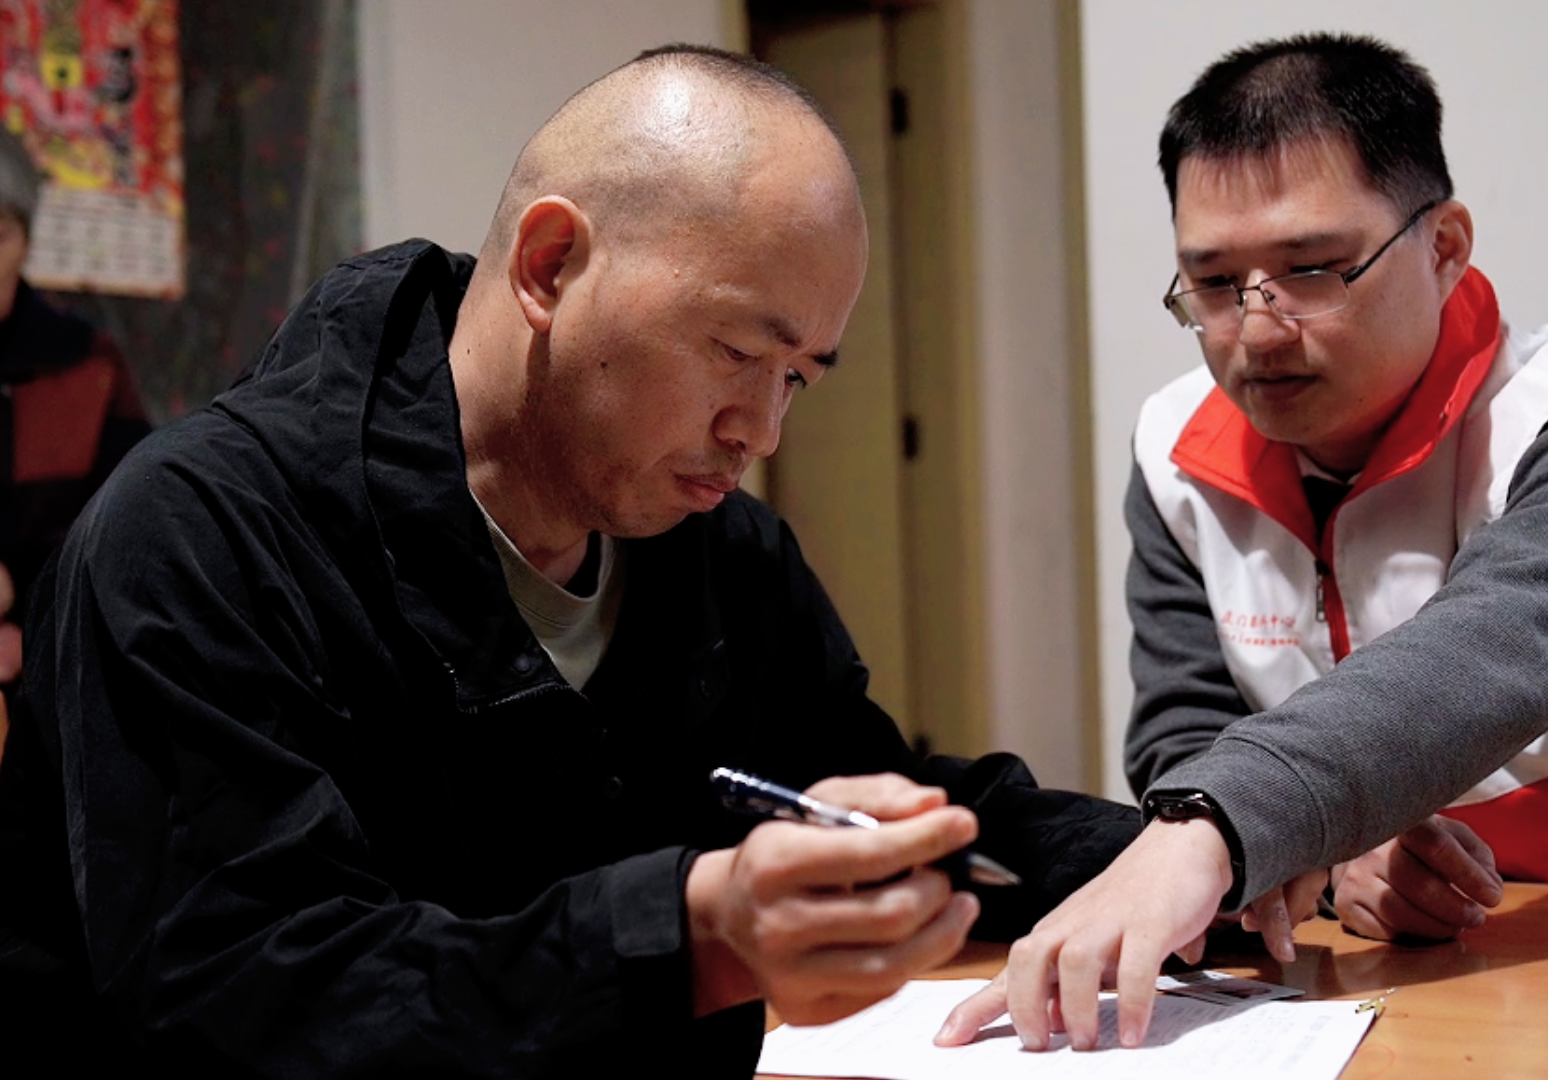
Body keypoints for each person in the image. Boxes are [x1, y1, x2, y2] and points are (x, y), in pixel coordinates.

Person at [0, 46, 1138, 1074]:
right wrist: (686, 938)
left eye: (797, 377)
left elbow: (877, 801)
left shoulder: (721, 554)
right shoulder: (202, 536)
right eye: (735, 351)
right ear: (549, 267)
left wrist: (1185, 854)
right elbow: (252, 995)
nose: (760, 431)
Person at [937, 32, 1548, 1053]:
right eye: (1212, 284)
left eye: (1312, 270)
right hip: (1396, 987)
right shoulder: (1174, 451)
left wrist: (1223, 821)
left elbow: (1482, 655)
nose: (1258, 332)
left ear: (1444, 246)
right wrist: (1331, 853)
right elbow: (1187, 724)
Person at [0, 125, 150, 758]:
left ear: (24, 241)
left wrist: (23, 587)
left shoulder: (87, 364)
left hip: (59, 685)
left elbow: (132, 528)